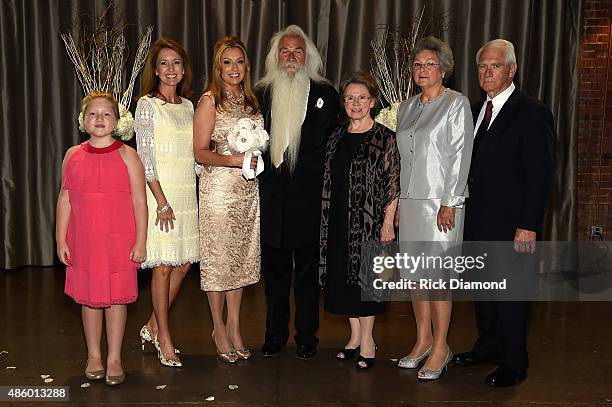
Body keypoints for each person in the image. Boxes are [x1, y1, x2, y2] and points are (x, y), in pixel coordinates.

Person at [453, 39, 554, 387]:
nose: (487, 72)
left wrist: (528, 224)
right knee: (483, 291)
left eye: (495, 66)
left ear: (512, 70)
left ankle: (514, 362)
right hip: (477, 220)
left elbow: (540, 176)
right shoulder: (476, 109)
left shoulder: (532, 112)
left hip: (512, 224)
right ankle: (488, 346)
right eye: (482, 66)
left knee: (509, 296)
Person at [256, 25, 340, 359]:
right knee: (274, 277)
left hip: (310, 200)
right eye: (285, 52)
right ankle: (274, 335)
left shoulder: (325, 93)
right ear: (276, 57)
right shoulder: (260, 94)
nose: (291, 58)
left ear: (308, 57)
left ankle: (307, 337)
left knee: (307, 278)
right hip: (272, 201)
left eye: (298, 51)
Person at [395, 36, 474, 380]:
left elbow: (460, 155)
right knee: (416, 276)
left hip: (441, 205)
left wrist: (450, 202)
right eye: (417, 64)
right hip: (411, 203)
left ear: (444, 68)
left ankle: (441, 346)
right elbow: (402, 158)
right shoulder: (406, 107)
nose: (423, 69)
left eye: (430, 63)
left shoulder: (456, 104)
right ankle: (423, 339)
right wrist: (398, 201)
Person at [56, 91, 147, 385]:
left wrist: (141, 241)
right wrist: (60, 239)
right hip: (84, 241)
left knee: (115, 300)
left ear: (117, 121)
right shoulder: (73, 155)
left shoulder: (128, 155)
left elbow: (139, 202)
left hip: (118, 242)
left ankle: (115, 358)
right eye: (93, 114)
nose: (99, 119)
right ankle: (94, 355)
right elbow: (65, 198)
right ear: (83, 120)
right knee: (90, 299)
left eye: (106, 114)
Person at [319, 71, 400, 369]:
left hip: (370, 221)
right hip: (338, 220)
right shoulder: (336, 137)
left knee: (368, 284)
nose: (355, 103)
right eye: (350, 97)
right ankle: (353, 337)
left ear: (373, 102)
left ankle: (368, 340)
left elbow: (393, 184)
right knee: (343, 280)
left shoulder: (385, 138)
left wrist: (388, 224)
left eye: (362, 97)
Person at [193, 36, 262, 363]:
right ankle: (218, 327)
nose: (234, 68)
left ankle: (235, 326)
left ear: (246, 66)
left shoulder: (251, 102)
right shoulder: (210, 101)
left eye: (239, 62)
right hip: (219, 190)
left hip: (248, 191)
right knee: (219, 261)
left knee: (241, 261)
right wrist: (234, 160)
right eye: (227, 62)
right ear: (218, 67)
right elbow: (200, 151)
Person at [134, 39, 198, 368]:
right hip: (161, 194)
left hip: (187, 193)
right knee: (162, 266)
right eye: (164, 63)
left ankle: (151, 325)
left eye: (176, 63)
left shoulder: (189, 107)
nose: (170, 68)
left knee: (184, 263)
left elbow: (195, 154)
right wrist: (160, 201)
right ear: (155, 70)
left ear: (184, 69)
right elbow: (145, 158)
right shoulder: (147, 105)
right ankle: (164, 337)